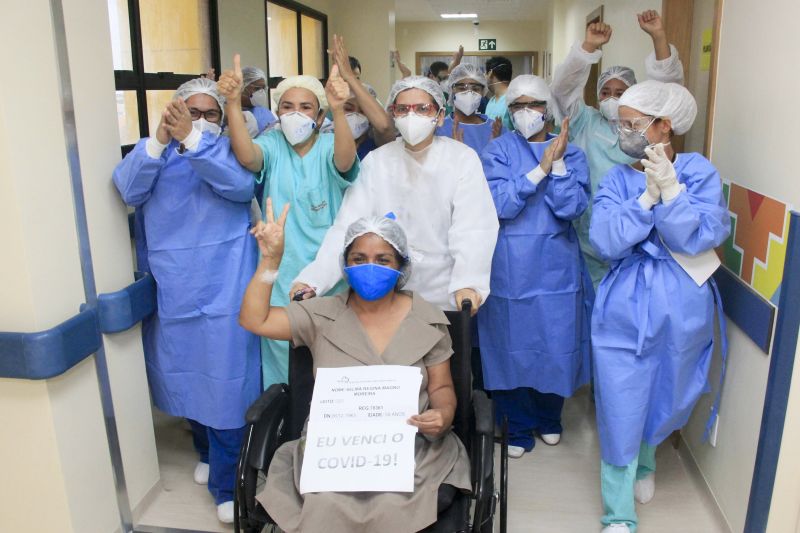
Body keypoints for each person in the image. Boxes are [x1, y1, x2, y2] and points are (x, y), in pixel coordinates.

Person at [239, 209, 471, 532]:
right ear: (345, 266)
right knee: (324, 504)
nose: (370, 267)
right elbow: (255, 320)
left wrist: (444, 414)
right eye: (359, 258)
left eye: (383, 259)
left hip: (408, 452)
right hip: (332, 453)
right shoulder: (321, 314)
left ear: (401, 266)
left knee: (393, 506)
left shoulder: (426, 319)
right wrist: (269, 262)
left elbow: (442, 388)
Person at [112, 78, 259, 523]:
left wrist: (194, 141)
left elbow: (239, 188)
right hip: (176, 286)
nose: (198, 122)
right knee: (186, 375)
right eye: (188, 113)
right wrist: (160, 141)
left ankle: (225, 482)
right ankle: (205, 449)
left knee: (227, 381)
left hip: (226, 284)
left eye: (208, 114)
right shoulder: (155, 155)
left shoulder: (230, 151)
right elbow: (127, 190)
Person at [589, 80, 730, 533]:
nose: (623, 133)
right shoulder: (617, 178)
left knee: (668, 390)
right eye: (620, 124)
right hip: (625, 304)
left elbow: (700, 235)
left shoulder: (698, 172)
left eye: (632, 124)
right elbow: (606, 239)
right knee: (620, 399)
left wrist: (672, 192)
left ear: (663, 125)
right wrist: (646, 198)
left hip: (683, 302)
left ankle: (645, 462)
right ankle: (618, 512)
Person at [290, 76, 499, 315]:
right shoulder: (377, 161)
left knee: (439, 350)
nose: (412, 116)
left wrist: (468, 283)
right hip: (385, 291)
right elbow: (347, 227)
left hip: (445, 292)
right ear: (393, 114)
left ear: (440, 116)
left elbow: (473, 228)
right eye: (403, 109)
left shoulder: (461, 159)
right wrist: (315, 279)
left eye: (422, 108)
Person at [217, 54, 360, 389]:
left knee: (332, 355)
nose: (295, 113)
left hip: (329, 275)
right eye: (287, 106)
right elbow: (247, 156)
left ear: (320, 114)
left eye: (306, 107)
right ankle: (287, 432)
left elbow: (345, 160)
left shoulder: (328, 145)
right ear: (277, 112)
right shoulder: (272, 144)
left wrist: (340, 109)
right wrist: (233, 103)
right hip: (280, 269)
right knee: (282, 356)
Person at [478, 75, 592, 458]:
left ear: (549, 108)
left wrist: (558, 165)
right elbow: (499, 205)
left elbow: (571, 208)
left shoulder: (573, 155)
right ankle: (518, 424)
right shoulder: (497, 151)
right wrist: (539, 171)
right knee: (510, 345)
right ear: (509, 112)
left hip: (557, 268)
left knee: (555, 342)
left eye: (534, 104)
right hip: (509, 266)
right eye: (517, 105)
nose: (526, 112)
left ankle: (549, 418)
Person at [550, 10, 685, 287]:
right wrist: (588, 48)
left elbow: (669, 94)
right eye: (605, 92)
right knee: (592, 306)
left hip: (639, 230)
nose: (611, 98)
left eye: (620, 92)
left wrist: (659, 37)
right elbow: (562, 89)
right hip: (589, 231)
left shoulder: (646, 128)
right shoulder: (584, 120)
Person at [328, 35, 397, 159]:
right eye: (348, 109)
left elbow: (385, 127)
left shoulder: (375, 143)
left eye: (363, 111)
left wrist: (349, 75)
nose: (355, 115)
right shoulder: (326, 140)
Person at [435, 63, 504, 155]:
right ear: (452, 90)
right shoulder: (439, 128)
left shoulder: (495, 129)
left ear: (483, 92)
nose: (469, 93)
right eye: (462, 88)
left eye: (475, 89)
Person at [240, 66, 278, 138]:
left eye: (263, 88)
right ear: (242, 87)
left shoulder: (264, 112)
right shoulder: (229, 113)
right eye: (257, 88)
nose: (261, 92)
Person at [484, 56, 513, 130]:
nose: (485, 77)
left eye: (485, 74)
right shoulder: (492, 100)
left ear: (490, 73)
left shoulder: (513, 100)